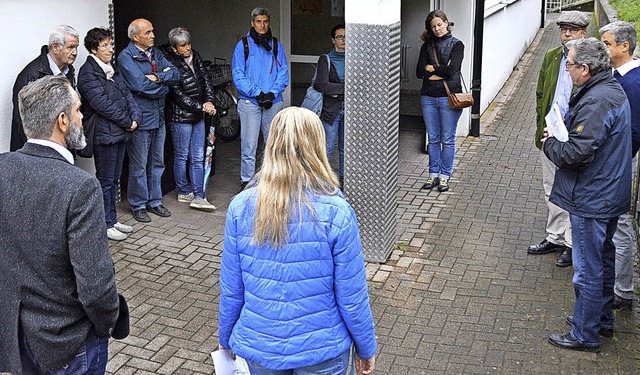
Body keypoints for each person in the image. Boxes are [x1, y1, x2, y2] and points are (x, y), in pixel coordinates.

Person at [218, 107, 377, 375]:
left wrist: (225, 339)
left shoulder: (241, 207)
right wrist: (366, 347)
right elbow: (352, 295)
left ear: (272, 143)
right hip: (322, 349)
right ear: (318, 145)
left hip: (259, 346)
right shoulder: (336, 211)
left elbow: (232, 289)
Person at [0, 76, 124, 374]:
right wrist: (107, 323)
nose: (82, 117)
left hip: (16, 336)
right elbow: (95, 285)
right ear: (63, 120)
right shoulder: (81, 186)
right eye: (79, 110)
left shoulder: (2, 167)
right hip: (70, 343)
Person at [544, 38, 631, 352]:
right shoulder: (608, 89)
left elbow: (578, 152)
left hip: (593, 196)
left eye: (569, 65)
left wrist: (551, 141)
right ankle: (599, 321)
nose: (567, 71)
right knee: (604, 261)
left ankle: (585, 334)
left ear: (585, 68)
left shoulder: (596, 100)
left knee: (588, 268)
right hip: (609, 192)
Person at [528, 11, 589, 267]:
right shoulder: (552, 56)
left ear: (584, 33)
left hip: (575, 138)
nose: (566, 34)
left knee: (574, 191)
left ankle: (572, 244)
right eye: (563, 29)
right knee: (550, 188)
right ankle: (554, 237)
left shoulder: (590, 61)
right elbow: (542, 92)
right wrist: (543, 124)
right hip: (550, 135)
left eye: (572, 30)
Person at [77, 27, 142, 241]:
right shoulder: (88, 72)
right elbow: (101, 104)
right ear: (94, 48)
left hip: (119, 134)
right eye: (105, 45)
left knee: (114, 180)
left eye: (111, 44)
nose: (110, 49)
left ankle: (113, 220)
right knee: (105, 181)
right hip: (104, 136)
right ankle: (105, 224)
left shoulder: (109, 68)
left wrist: (135, 117)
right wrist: (127, 121)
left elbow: (126, 94)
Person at [118, 18, 180, 223]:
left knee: (157, 163)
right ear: (135, 36)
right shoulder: (126, 57)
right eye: (148, 33)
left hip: (159, 117)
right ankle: (138, 204)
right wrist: (163, 85)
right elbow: (141, 86)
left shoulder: (156, 53)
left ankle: (155, 201)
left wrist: (158, 78)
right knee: (139, 166)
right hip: (141, 119)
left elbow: (175, 74)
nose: (153, 36)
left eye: (152, 31)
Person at [600, 21, 640, 311]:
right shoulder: (617, 76)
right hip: (615, 160)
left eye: (606, 44)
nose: (603, 48)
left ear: (624, 47)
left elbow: (635, 130)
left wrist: (619, 162)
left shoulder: (633, 82)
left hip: (621, 162)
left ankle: (622, 291)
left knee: (621, 225)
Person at [160, 27, 217, 211]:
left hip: (198, 115)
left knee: (198, 156)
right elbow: (177, 94)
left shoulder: (196, 56)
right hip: (180, 117)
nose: (188, 48)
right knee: (182, 155)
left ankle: (199, 194)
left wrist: (209, 100)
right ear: (175, 48)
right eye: (183, 45)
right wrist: (201, 106)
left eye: (189, 43)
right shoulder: (169, 62)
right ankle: (184, 190)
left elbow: (206, 80)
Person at [232, 7, 289, 191]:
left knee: (272, 145)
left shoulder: (275, 45)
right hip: (251, 102)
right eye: (258, 22)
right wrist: (258, 93)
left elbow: (283, 72)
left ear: (268, 22)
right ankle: (247, 182)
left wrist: (271, 93)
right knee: (249, 145)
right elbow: (238, 74)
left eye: (265, 21)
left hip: (272, 101)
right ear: (252, 23)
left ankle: (270, 180)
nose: (262, 25)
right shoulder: (243, 45)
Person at [417, 10, 465, 193]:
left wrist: (433, 69)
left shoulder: (457, 44)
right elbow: (419, 71)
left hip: (449, 98)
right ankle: (433, 174)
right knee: (434, 138)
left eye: (439, 24)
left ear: (446, 23)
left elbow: (452, 70)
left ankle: (445, 177)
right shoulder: (427, 46)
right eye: (433, 26)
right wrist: (439, 71)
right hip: (428, 97)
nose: (437, 29)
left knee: (448, 139)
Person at [11, 25, 79, 152]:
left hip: (61, 148)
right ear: (55, 47)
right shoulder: (32, 76)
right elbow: (23, 122)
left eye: (76, 47)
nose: (75, 52)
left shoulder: (68, 71)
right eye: (70, 47)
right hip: (38, 154)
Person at [315, 24, 346, 186]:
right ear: (333, 40)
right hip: (331, 111)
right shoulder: (326, 59)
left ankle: (343, 180)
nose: (343, 40)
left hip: (350, 110)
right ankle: (322, 181)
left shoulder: (355, 58)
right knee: (327, 149)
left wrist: (336, 91)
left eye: (346, 36)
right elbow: (321, 85)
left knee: (346, 149)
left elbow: (361, 85)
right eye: (340, 37)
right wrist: (346, 88)